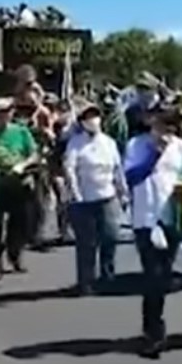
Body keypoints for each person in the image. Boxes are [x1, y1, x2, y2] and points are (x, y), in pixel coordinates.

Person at [124, 103, 182, 358]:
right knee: (153, 276)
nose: (166, 129)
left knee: (164, 276)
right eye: (161, 123)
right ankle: (153, 330)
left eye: (170, 124)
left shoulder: (180, 148)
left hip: (171, 220)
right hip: (146, 221)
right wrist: (154, 155)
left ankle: (155, 321)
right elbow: (132, 177)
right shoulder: (136, 146)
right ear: (150, 121)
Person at [63, 102, 127, 294]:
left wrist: (123, 191)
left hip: (107, 196)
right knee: (86, 244)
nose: (93, 120)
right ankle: (86, 282)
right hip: (84, 200)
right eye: (88, 117)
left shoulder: (109, 142)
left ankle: (107, 277)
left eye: (96, 116)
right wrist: (75, 191)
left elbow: (117, 168)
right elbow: (69, 168)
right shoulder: (76, 143)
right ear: (81, 122)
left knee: (110, 237)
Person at [0, 97, 39, 283]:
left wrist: (23, 165)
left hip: (19, 181)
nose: (3, 116)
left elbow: (34, 154)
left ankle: (14, 253)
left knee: (20, 224)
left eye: (6, 112)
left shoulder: (21, 131)